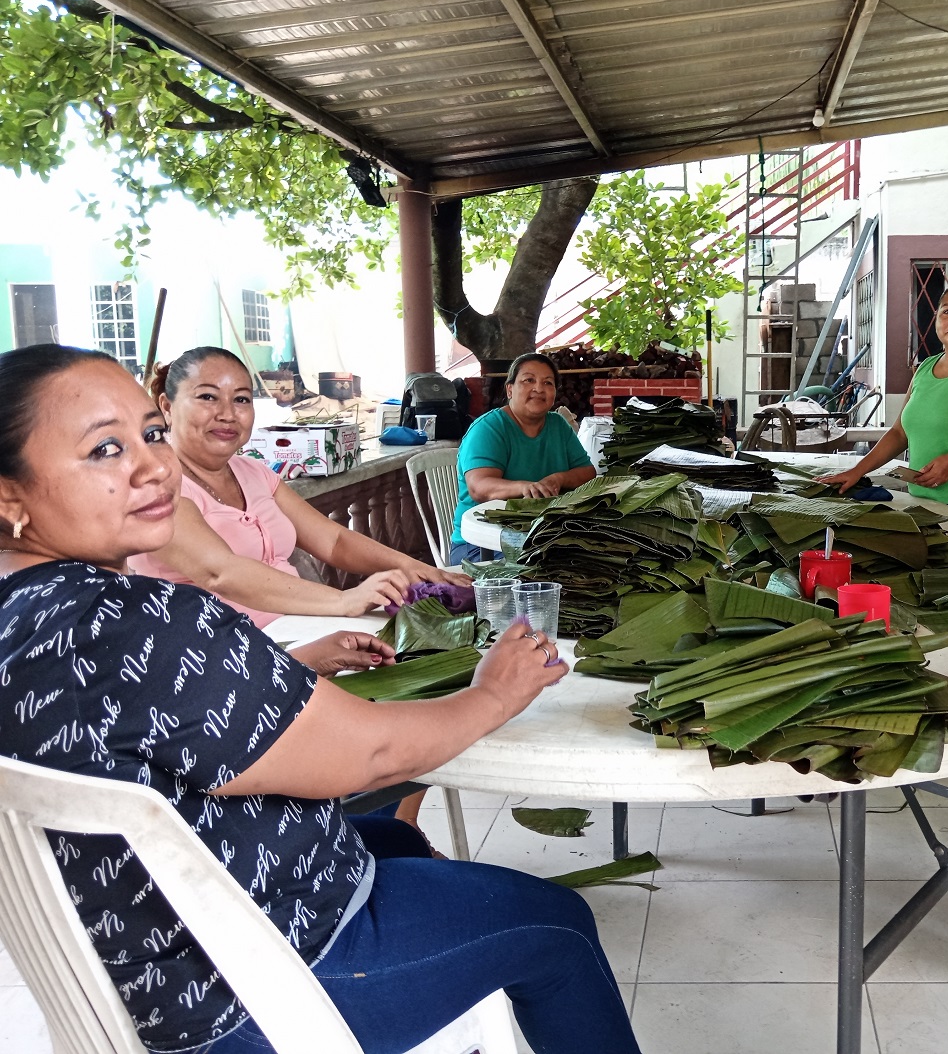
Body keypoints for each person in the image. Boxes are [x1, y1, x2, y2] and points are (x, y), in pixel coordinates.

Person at [0, 344, 641, 1054]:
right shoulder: (147, 618)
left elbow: (131, 723)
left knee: (396, 839)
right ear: (8, 493)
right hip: (244, 988)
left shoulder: (25, 614)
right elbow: (371, 754)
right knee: (557, 924)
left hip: (132, 946)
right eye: (104, 449)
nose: (154, 467)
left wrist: (290, 663)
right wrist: (495, 691)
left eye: (150, 434)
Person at [130, 346, 468, 628]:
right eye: (207, 397)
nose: (228, 414)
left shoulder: (252, 471)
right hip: (225, 659)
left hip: (302, 629)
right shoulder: (157, 486)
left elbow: (334, 541)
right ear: (166, 407)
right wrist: (345, 600)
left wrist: (415, 568)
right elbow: (221, 573)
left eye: (242, 400)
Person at [819, 282, 948, 563]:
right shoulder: (924, 369)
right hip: (925, 503)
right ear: (937, 321)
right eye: (947, 311)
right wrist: (858, 471)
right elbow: (899, 432)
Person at [449, 352, 595, 565]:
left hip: (539, 537)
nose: (538, 388)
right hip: (480, 546)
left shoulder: (558, 426)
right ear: (510, 389)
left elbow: (587, 473)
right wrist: (526, 488)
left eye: (548, 382)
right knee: (557, 565)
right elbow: (480, 488)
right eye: (528, 380)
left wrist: (558, 479)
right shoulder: (489, 428)